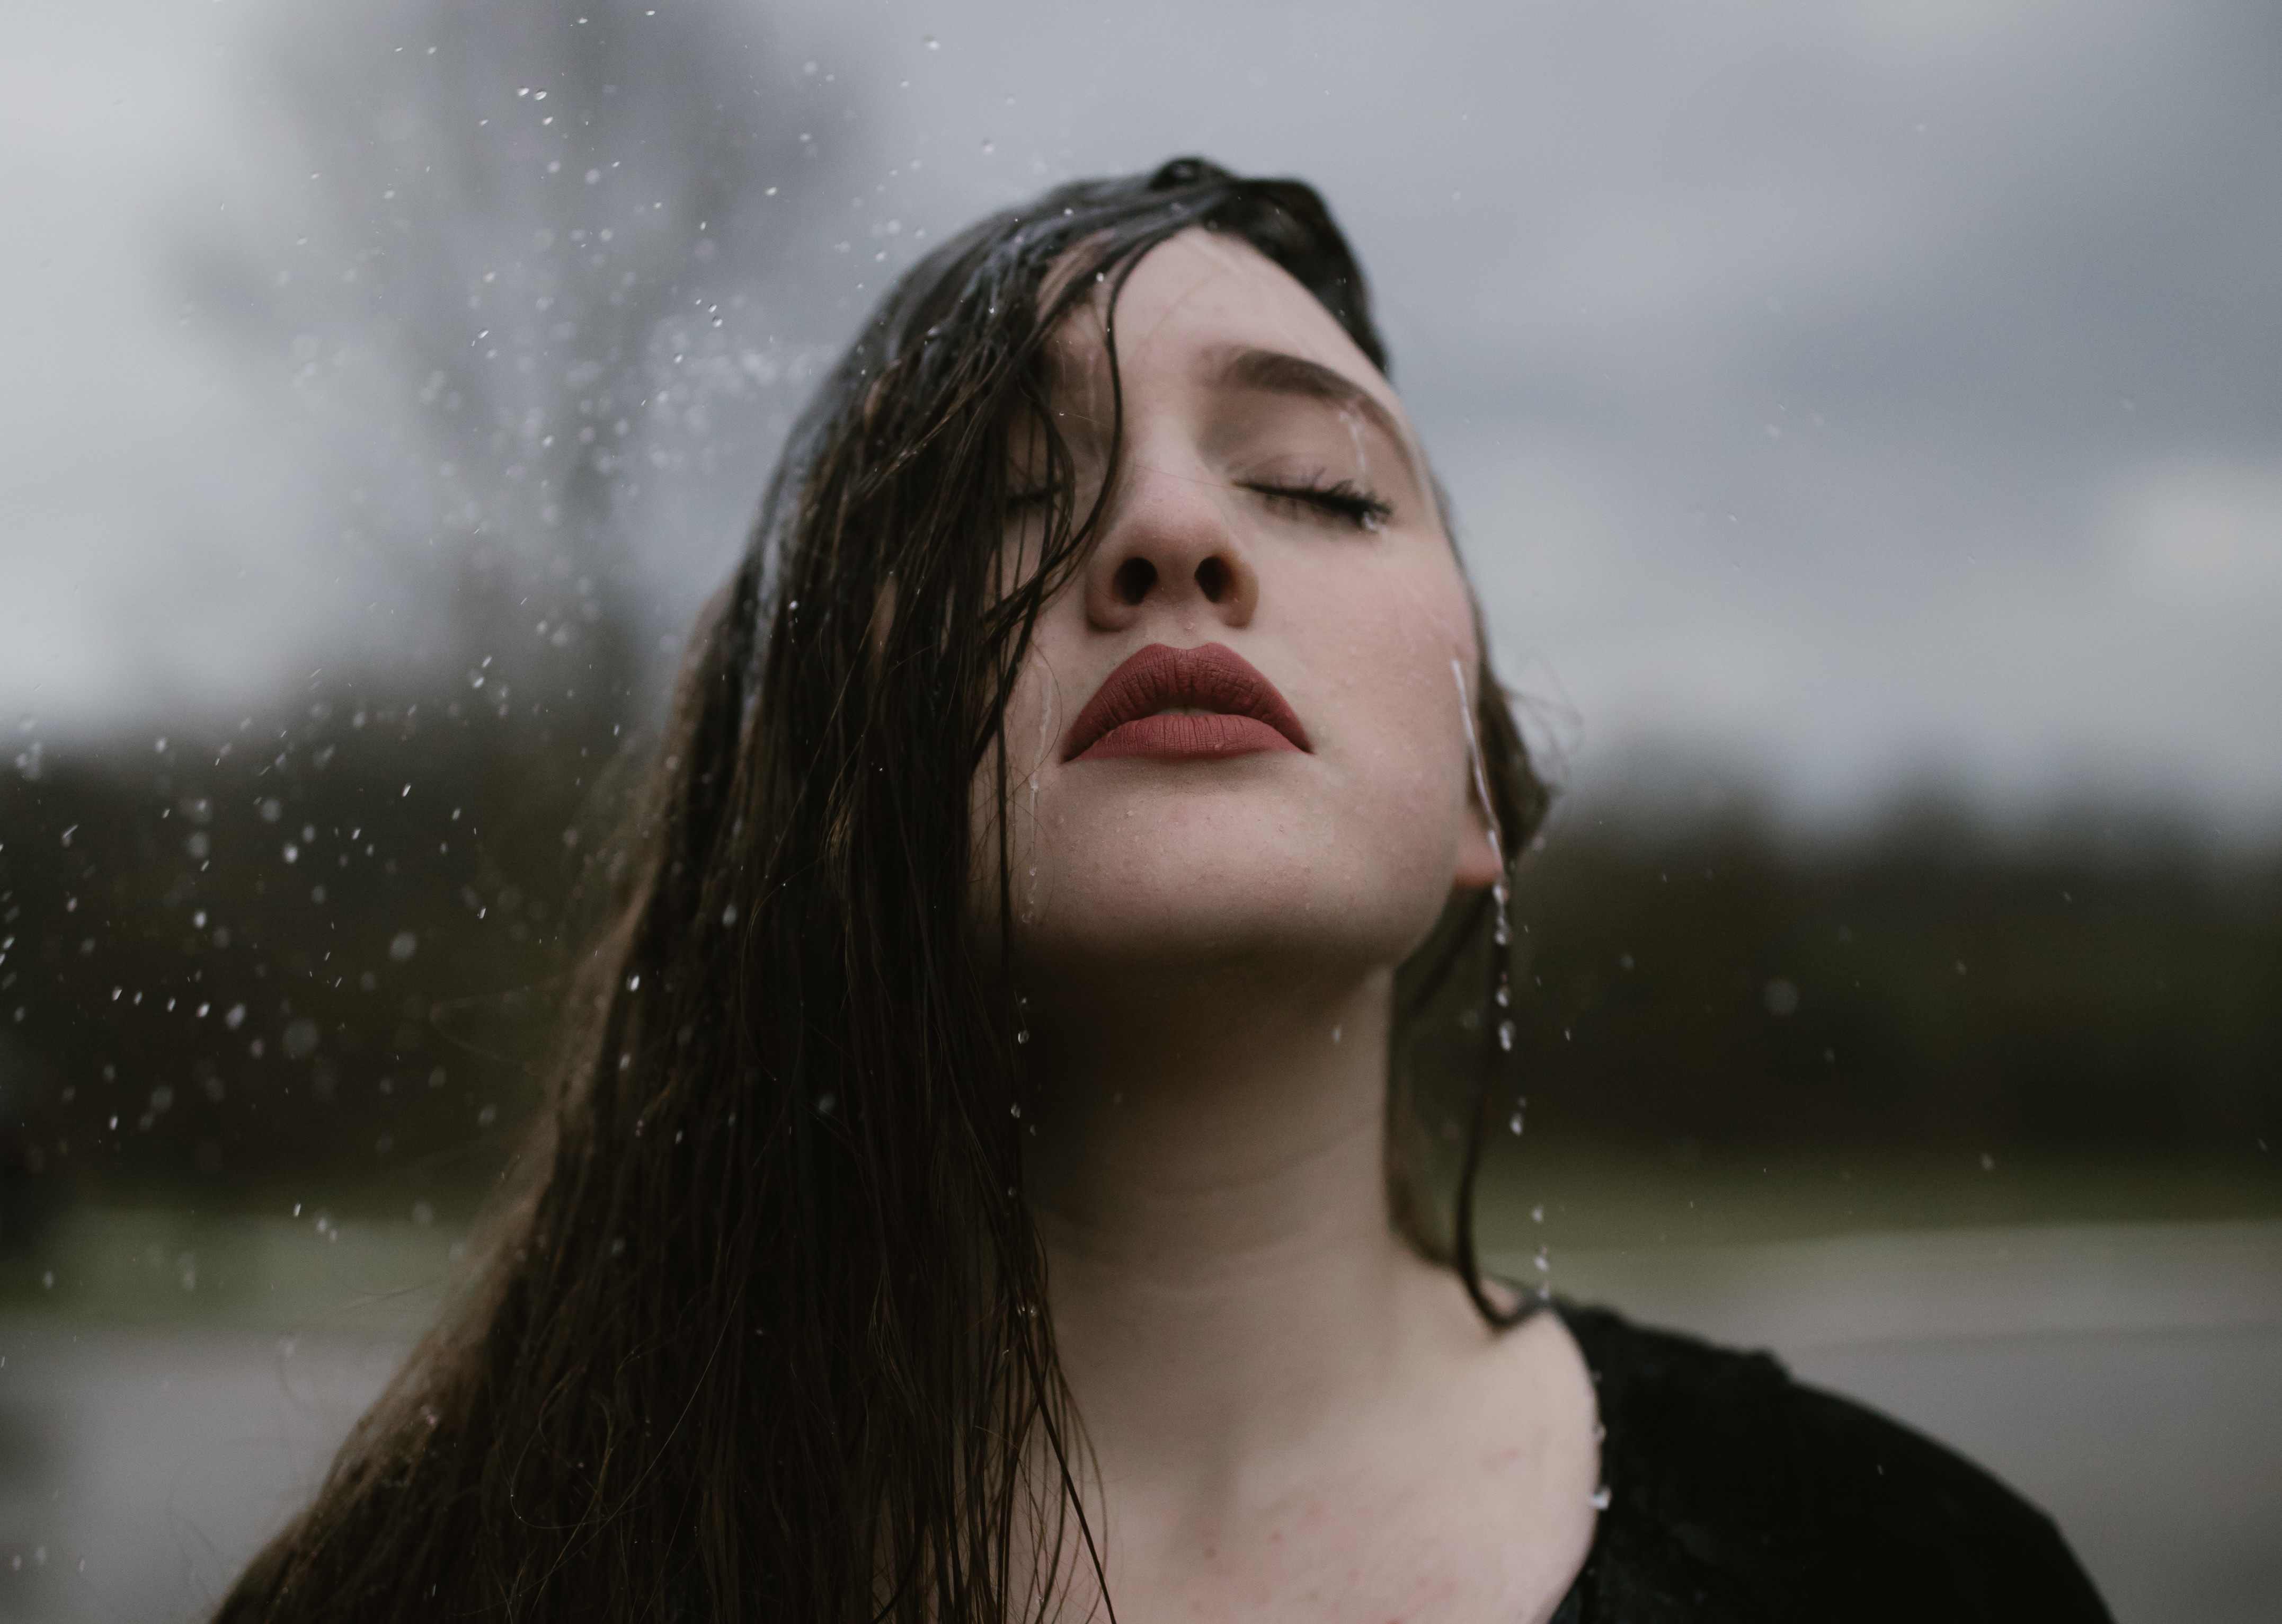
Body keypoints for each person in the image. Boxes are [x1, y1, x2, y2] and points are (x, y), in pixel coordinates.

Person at [219, 158, 2111, 1623]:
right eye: (1005, 491)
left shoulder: (1897, 1573)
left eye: (1312, 482)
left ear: (1477, 783)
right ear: (815, 776)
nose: (1169, 530)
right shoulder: (453, 1589)